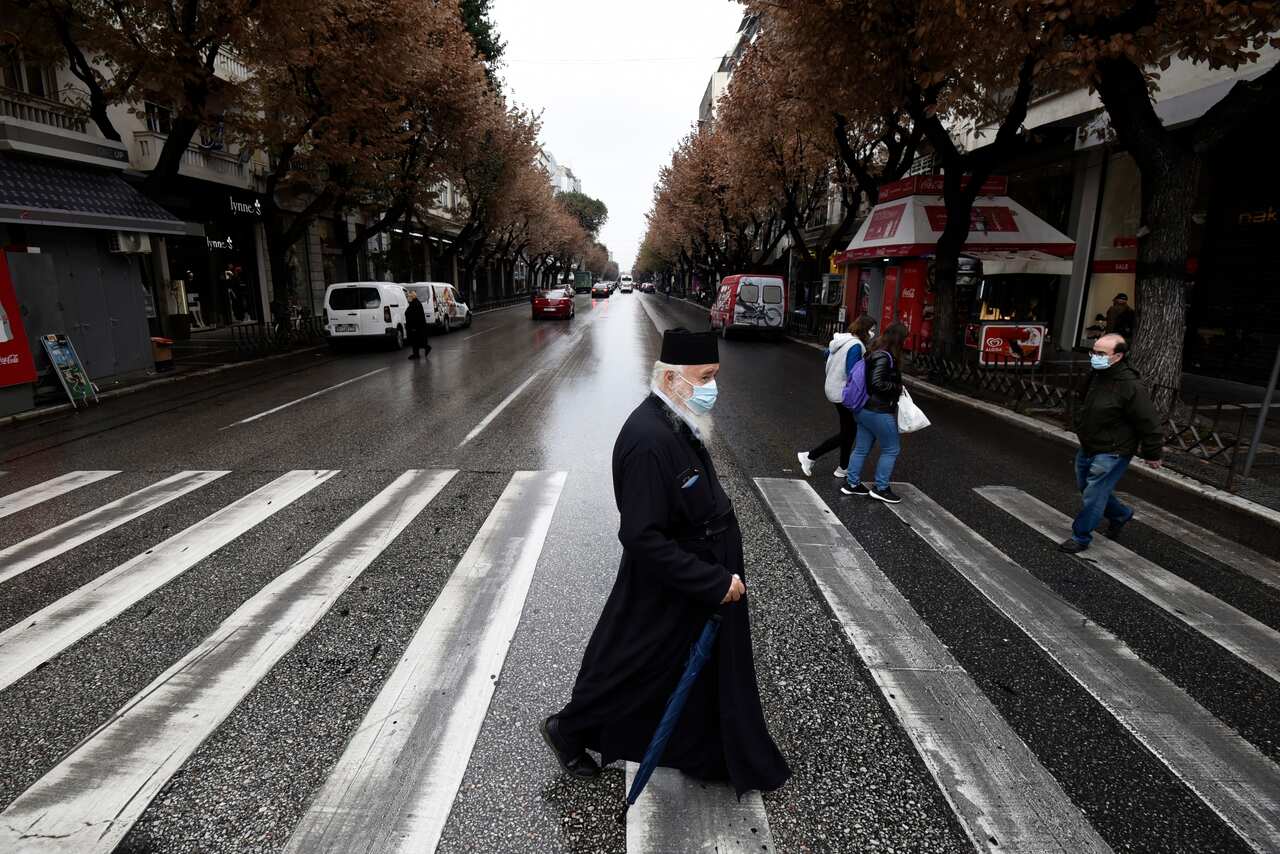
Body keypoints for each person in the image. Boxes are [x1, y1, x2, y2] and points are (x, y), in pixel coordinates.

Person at [542, 328, 790, 797]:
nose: (713, 387)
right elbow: (640, 536)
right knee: (633, 665)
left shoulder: (675, 417)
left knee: (687, 669)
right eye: (706, 377)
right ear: (673, 378)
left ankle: (708, 750)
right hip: (676, 580)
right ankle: (567, 729)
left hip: (697, 576)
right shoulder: (647, 438)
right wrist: (711, 581)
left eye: (716, 376)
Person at [1060, 333, 1162, 553]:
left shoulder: (1130, 386)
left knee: (1094, 494)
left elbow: (1148, 422)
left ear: (1118, 356)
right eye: (1093, 351)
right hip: (1089, 445)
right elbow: (1083, 400)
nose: (1094, 357)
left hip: (1113, 450)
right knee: (1087, 487)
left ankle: (1080, 537)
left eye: (1100, 353)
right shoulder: (1096, 374)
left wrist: (1152, 454)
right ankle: (1121, 514)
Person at [797, 315, 876, 479]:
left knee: (848, 430)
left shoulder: (843, 340)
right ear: (864, 329)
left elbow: (826, 353)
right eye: (872, 330)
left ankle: (843, 467)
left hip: (833, 388)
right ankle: (810, 456)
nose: (873, 333)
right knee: (848, 432)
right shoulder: (856, 345)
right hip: (843, 393)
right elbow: (853, 373)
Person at [841, 322, 908, 504]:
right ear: (899, 339)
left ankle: (852, 484)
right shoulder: (885, 357)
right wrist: (897, 387)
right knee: (891, 448)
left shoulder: (873, 352)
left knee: (862, 448)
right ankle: (881, 487)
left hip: (863, 409)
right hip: (877, 410)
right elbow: (877, 383)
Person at [405, 289, 430, 360]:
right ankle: (417, 353)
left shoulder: (416, 304)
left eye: (409, 297)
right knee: (416, 340)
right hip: (416, 326)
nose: (407, 299)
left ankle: (417, 353)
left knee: (416, 340)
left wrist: (413, 327)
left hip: (416, 327)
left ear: (412, 297)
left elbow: (416, 316)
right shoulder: (414, 303)